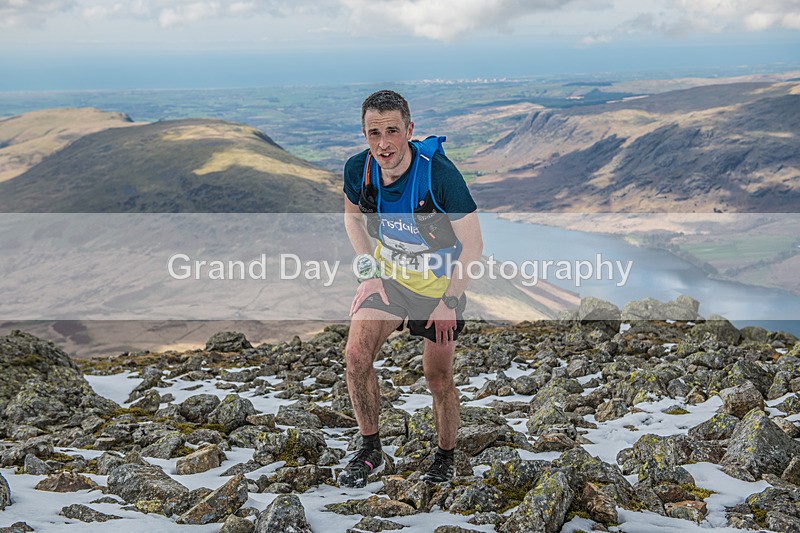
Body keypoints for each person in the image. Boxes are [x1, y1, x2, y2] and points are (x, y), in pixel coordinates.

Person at [338, 89, 483, 488]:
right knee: (355, 355)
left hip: (438, 288)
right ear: (364, 133)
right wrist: (368, 270)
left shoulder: (439, 175)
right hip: (388, 279)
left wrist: (449, 301)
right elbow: (353, 219)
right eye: (373, 132)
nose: (383, 144)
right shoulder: (359, 170)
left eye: (392, 131)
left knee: (437, 379)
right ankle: (371, 451)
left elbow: (473, 245)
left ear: (409, 129)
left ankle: (445, 456)